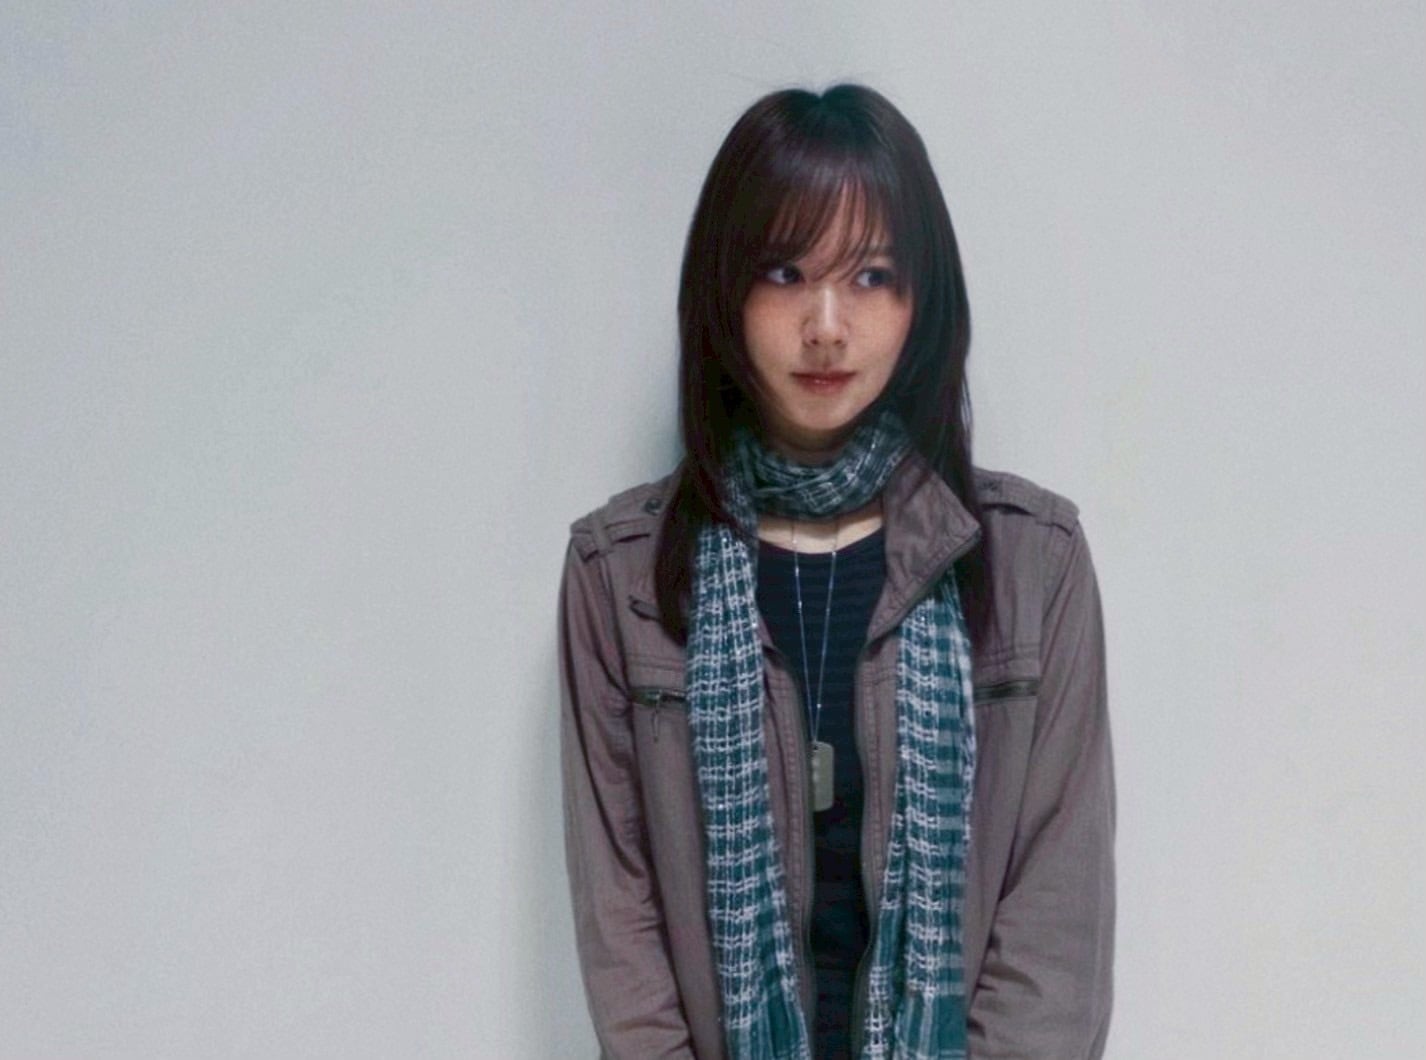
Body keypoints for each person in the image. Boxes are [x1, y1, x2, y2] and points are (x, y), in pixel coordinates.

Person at [557, 83, 1115, 1060]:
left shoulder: (1037, 561)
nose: (825, 324)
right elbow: (623, 935)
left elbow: (1053, 934)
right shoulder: (619, 576)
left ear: (921, 301)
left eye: (870, 276)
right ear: (724, 292)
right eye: (785, 272)